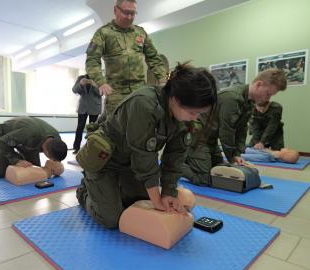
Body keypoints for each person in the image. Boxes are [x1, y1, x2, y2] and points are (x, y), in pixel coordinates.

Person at [76, 62, 218, 228]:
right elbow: (143, 156)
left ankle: (110, 190)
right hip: (105, 162)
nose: (195, 118)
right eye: (192, 112)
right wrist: (157, 199)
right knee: (112, 219)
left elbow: (176, 158)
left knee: (138, 203)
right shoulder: (144, 104)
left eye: (199, 114)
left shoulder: (183, 119)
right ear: (176, 99)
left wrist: (168, 193)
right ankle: (84, 191)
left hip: (130, 164)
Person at [182, 68, 287, 185]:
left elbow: (242, 129)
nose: (268, 99)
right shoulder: (233, 98)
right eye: (268, 94)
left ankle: (190, 159)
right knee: (205, 180)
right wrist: (232, 157)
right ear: (259, 85)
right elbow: (226, 131)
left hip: (210, 139)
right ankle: (174, 165)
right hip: (198, 138)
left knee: (219, 171)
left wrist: (237, 154)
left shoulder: (249, 102)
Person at [85, 0, 168, 118]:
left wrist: (163, 80)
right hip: (115, 92)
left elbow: (154, 58)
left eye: (133, 13)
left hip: (140, 91)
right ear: (115, 10)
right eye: (126, 12)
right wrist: (101, 82)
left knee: (141, 126)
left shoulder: (140, 33)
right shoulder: (103, 33)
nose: (129, 17)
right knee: (116, 130)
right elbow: (92, 60)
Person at [0, 117, 68, 178]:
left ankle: (12, 159)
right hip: (6, 141)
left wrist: (57, 167)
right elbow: (1, 142)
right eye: (53, 159)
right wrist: (17, 161)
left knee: (35, 171)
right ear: (47, 152)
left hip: (29, 143)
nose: (53, 161)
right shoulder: (27, 133)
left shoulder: (56, 138)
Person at [72, 74, 102, 154]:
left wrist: (94, 84)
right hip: (82, 107)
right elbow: (74, 90)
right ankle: (76, 147)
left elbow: (101, 93)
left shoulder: (99, 78)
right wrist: (80, 84)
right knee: (80, 127)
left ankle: (91, 148)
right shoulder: (81, 78)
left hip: (94, 107)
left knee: (93, 128)